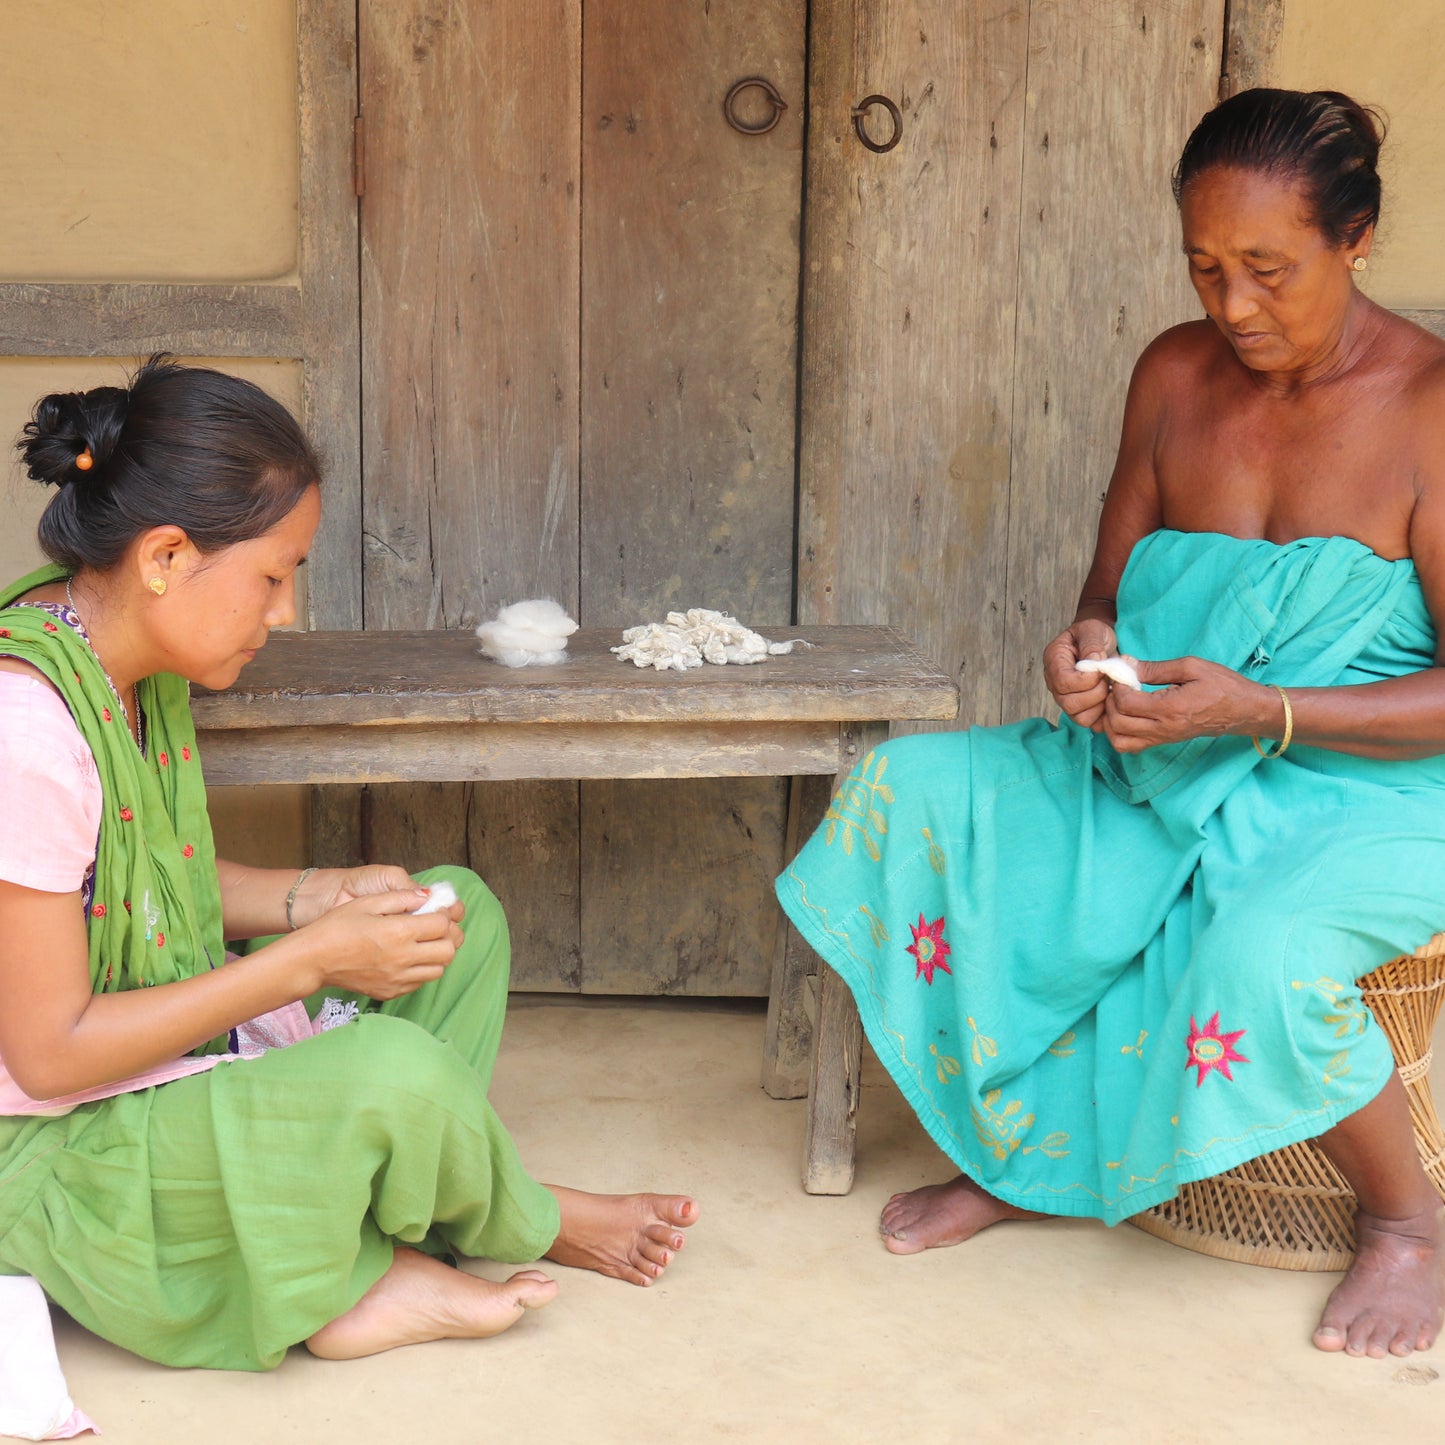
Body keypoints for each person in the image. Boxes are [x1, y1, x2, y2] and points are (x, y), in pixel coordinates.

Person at [776, 88, 1445, 1360]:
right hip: (1160, 754)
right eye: (1203, 267)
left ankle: (1407, 1222)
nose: (1231, 306)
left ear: (1353, 238)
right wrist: (1085, 658)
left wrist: (1271, 710)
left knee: (1262, 941)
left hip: (1367, 780)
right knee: (907, 792)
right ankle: (1023, 1151)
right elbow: (1101, 600)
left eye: (1267, 269)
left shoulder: (1429, 408)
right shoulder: (1169, 374)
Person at [0, 356, 698, 1370]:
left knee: (454, 911)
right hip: (56, 1150)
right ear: (163, 557)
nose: (282, 613)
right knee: (393, 1072)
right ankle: (501, 1219)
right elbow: (50, 1055)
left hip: (142, 1078)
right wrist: (310, 958)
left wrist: (310, 897)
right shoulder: (24, 730)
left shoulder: (121, 665)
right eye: (272, 576)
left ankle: (341, 1252)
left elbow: (127, 886)